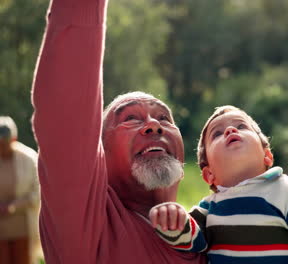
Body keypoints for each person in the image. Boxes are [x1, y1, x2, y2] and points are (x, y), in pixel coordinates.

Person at [31, 0, 206, 263]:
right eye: (130, 118)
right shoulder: (87, 225)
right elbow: (66, 111)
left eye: (163, 117)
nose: (153, 124)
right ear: (99, 152)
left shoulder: (211, 233)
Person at [149, 105, 288, 264]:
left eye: (241, 126)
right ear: (209, 174)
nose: (230, 130)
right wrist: (173, 220)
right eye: (217, 134)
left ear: (267, 155)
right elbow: (192, 241)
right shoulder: (210, 207)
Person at [0, 116, 41, 264]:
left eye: (5, 142)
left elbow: (36, 193)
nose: (2, 147)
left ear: (13, 139)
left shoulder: (29, 159)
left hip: (22, 229)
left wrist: (13, 206)